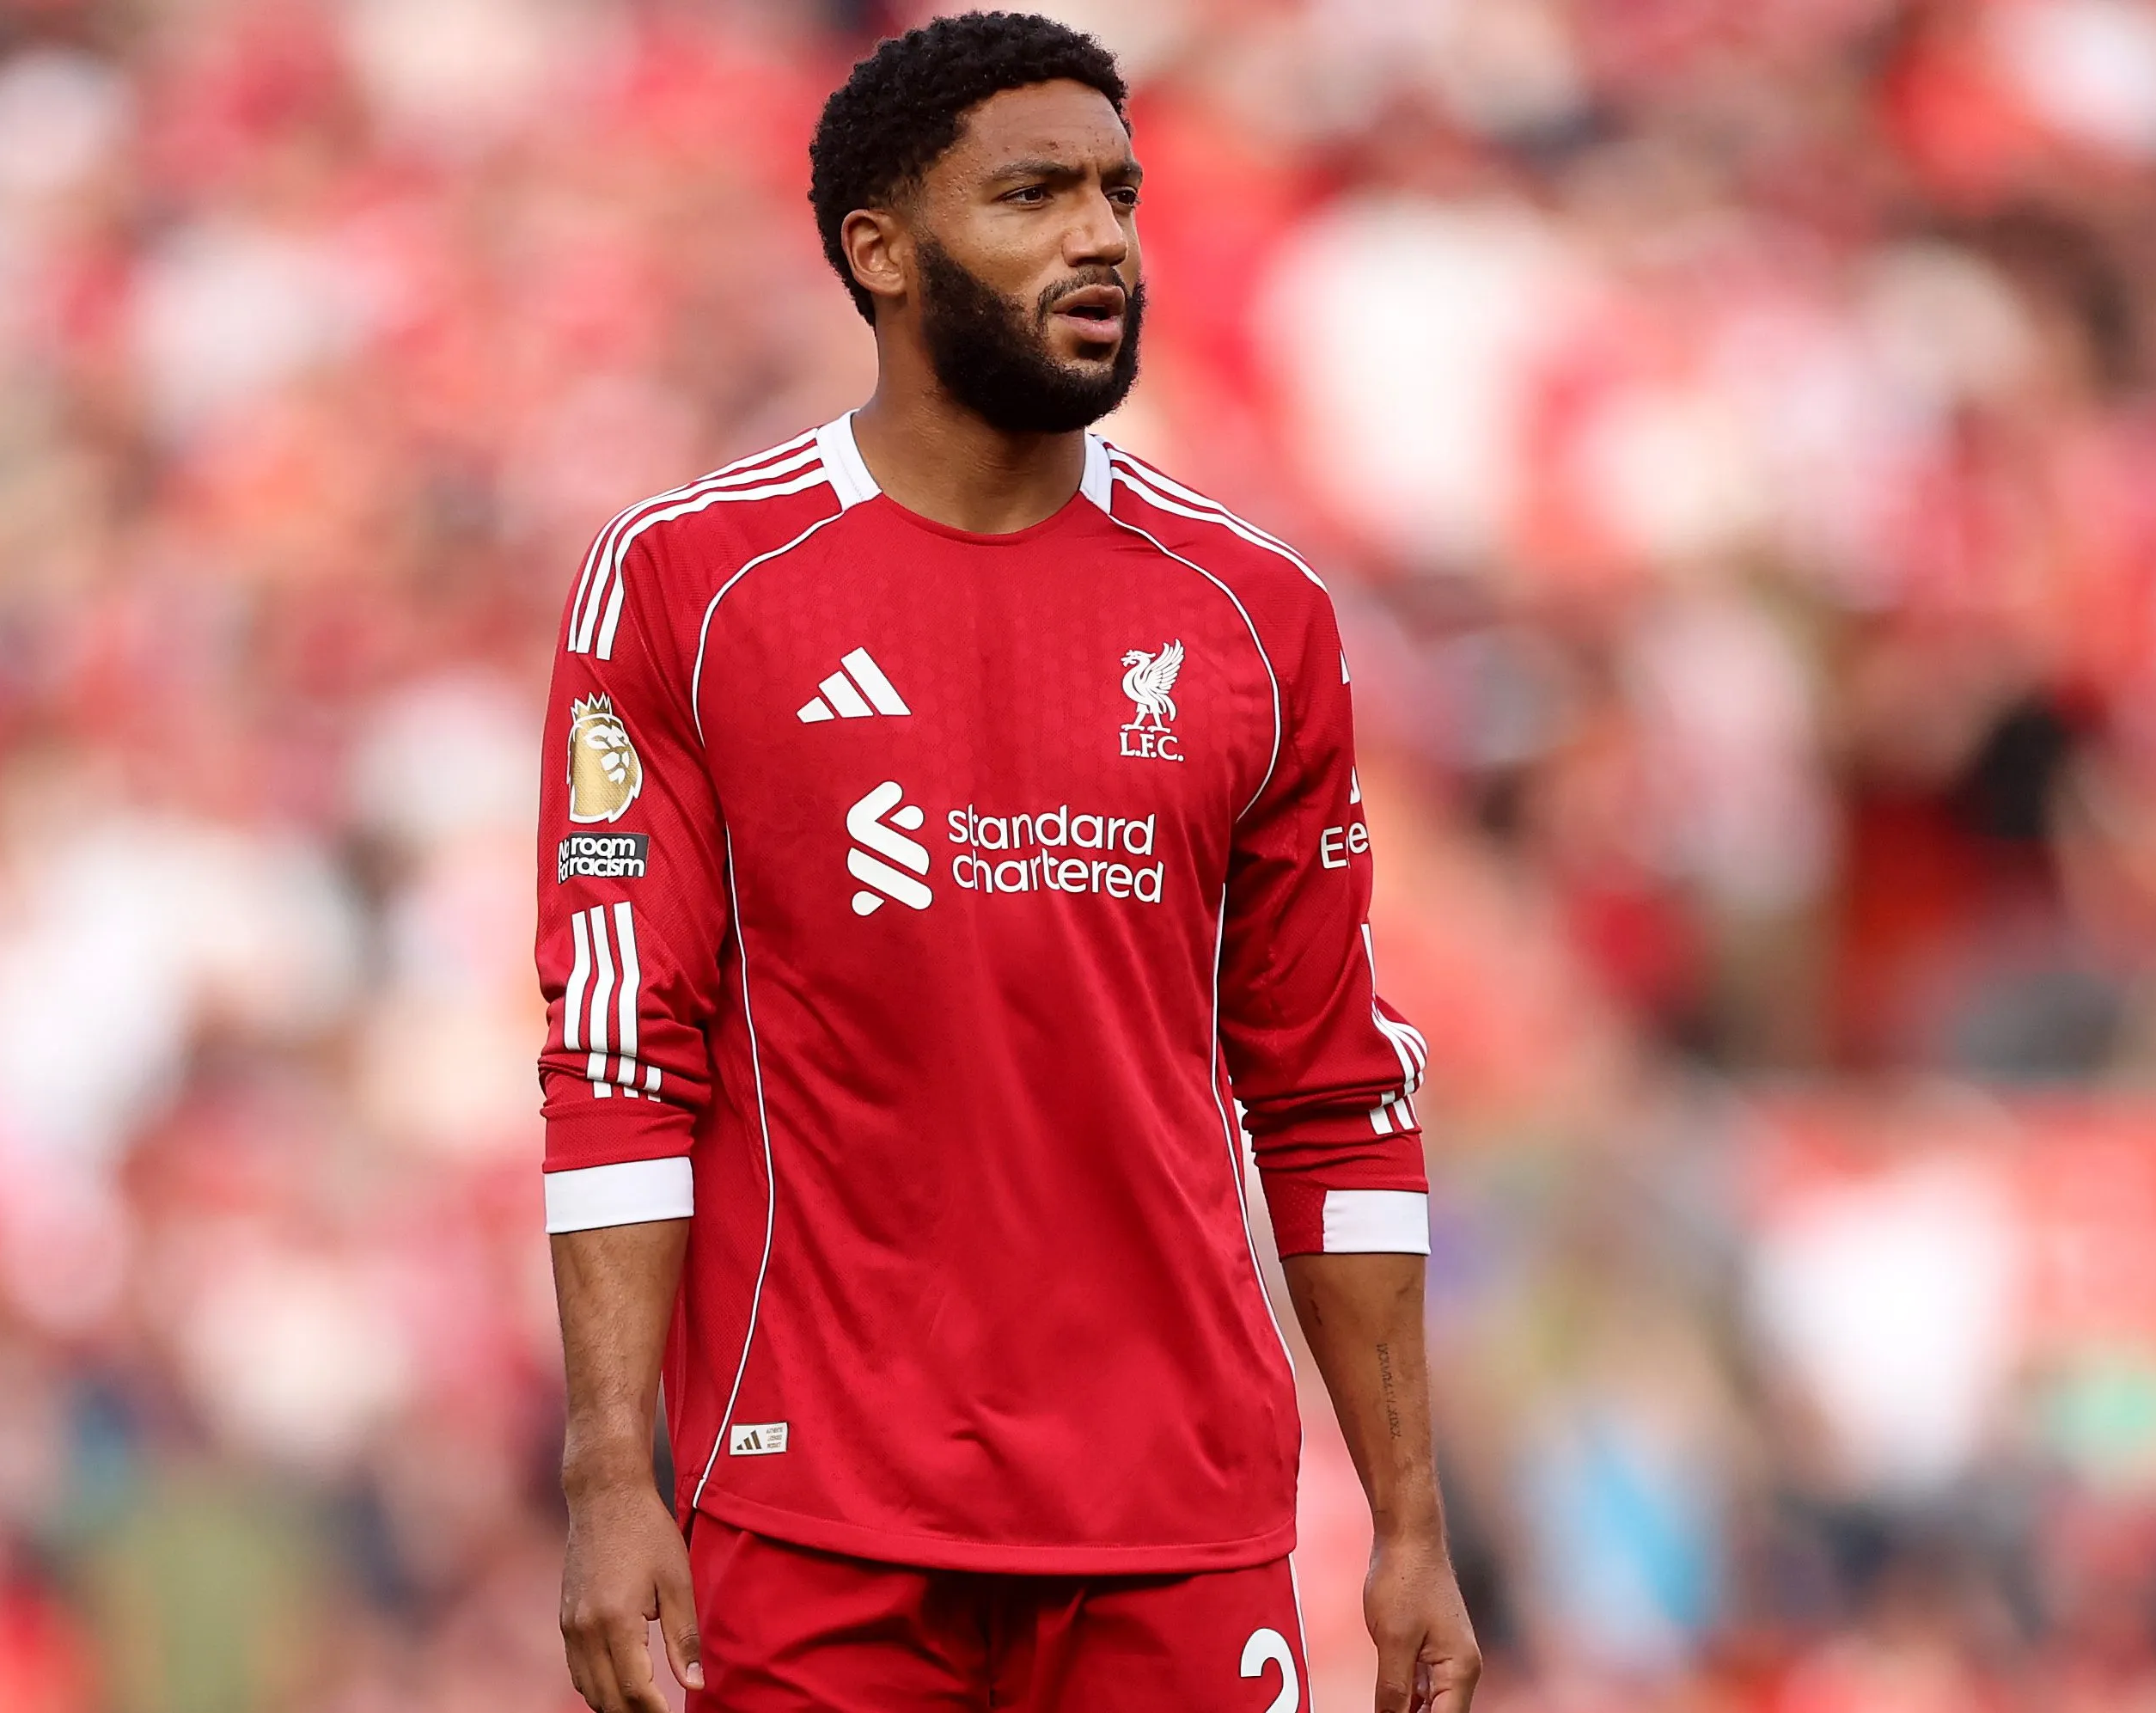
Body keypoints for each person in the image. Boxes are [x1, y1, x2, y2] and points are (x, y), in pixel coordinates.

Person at [532, 14, 1480, 1710]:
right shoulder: (692, 584)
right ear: (876, 252)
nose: (1101, 235)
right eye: (1033, 194)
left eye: (1118, 191)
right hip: (811, 1509)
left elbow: (1328, 1088)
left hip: (1174, 1523)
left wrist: (1408, 1517)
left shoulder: (1253, 615)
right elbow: (618, 1057)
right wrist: (609, 1479)